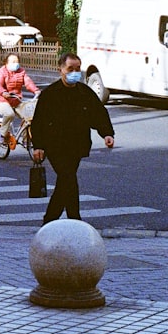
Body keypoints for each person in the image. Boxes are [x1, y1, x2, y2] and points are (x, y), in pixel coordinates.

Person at [32, 53, 115, 225]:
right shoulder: (50, 94)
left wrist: (107, 133)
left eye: (78, 69)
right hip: (55, 146)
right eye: (70, 69)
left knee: (65, 182)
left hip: (77, 146)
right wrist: (38, 146)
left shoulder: (84, 92)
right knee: (69, 179)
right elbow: (38, 120)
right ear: (60, 70)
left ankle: (49, 220)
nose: (75, 72)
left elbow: (98, 113)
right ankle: (74, 220)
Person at [0, 53, 41, 148]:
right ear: (6, 63)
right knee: (9, 114)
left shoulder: (21, 71)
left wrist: (36, 90)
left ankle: (25, 139)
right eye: (13, 61)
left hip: (16, 101)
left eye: (17, 61)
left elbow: (28, 82)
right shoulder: (2, 71)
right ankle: (2, 134)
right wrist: (4, 92)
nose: (16, 63)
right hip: (2, 101)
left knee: (29, 117)